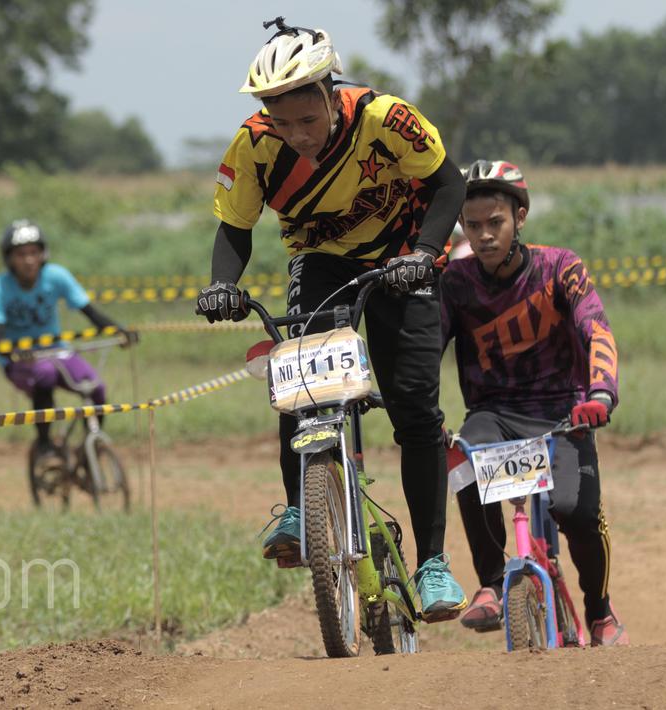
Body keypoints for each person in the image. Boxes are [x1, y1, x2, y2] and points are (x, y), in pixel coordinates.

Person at [194, 17, 468, 619]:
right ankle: (300, 506)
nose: (297, 135)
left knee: (414, 408)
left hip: (403, 261)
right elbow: (234, 228)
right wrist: (222, 286)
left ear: (329, 91)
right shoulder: (255, 144)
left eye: (307, 119)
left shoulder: (388, 119)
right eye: (281, 121)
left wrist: (424, 255)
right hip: (320, 262)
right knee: (301, 384)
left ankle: (433, 564)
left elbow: (449, 185)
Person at [440, 160, 627, 646]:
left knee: (578, 514)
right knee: (462, 456)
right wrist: (420, 412)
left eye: (495, 223)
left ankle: (600, 612)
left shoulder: (559, 266)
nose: (483, 236)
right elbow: (423, 351)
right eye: (473, 225)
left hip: (565, 411)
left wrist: (601, 392)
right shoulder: (454, 283)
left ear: (519, 217)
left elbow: (595, 327)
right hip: (493, 415)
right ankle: (490, 582)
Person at [0, 220, 133, 464]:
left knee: (95, 388)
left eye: (33, 253)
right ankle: (44, 445)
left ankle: (89, 448)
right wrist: (16, 352)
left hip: (56, 350)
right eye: (21, 254)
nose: (29, 260)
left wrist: (119, 330)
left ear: (43, 254)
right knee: (45, 374)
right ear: (9, 259)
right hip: (18, 360)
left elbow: (89, 312)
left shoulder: (56, 276)